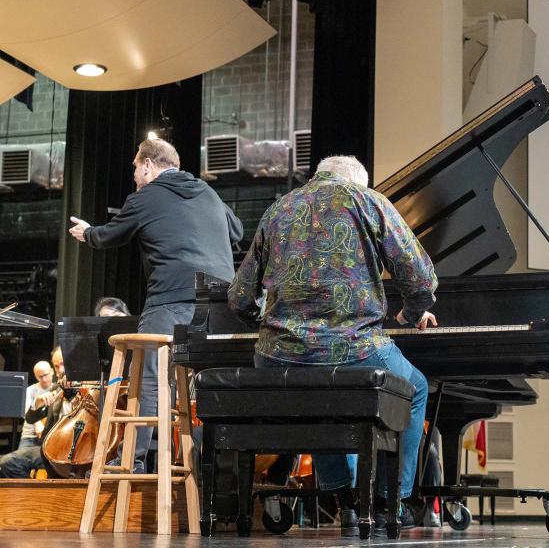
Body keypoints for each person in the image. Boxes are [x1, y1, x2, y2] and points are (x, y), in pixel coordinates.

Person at [228, 155, 437, 534]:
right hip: (356, 350)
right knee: (415, 388)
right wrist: (409, 314)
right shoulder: (367, 201)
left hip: (279, 358)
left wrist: (269, 327)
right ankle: (394, 501)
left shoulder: (278, 209)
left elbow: (240, 297)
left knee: (321, 401)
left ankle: (346, 503)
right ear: (359, 181)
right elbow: (420, 278)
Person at [68, 138, 243, 473]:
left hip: (172, 299)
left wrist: (88, 233)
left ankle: (131, 464)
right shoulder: (208, 192)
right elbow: (237, 231)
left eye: (135, 168)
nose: (134, 175)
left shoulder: (146, 195)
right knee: (214, 384)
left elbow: (110, 235)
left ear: (147, 165)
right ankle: (217, 469)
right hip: (222, 304)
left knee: (149, 379)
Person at [0, 358, 67, 478]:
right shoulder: (37, 390)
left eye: (46, 375)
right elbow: (29, 416)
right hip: (32, 437)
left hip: (59, 445)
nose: (44, 379)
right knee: (10, 462)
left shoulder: (62, 390)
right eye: (40, 376)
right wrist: (37, 402)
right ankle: (26, 492)